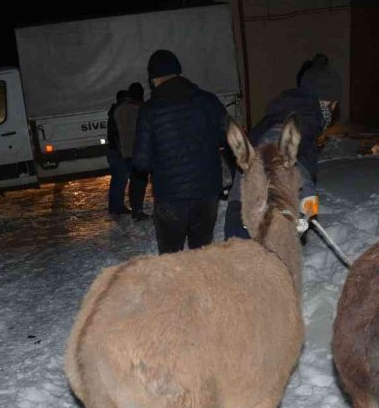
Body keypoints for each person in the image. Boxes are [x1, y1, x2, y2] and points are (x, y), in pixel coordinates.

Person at [224, 57, 342, 241]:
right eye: (334, 104)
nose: (334, 110)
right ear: (327, 102)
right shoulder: (304, 118)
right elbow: (272, 151)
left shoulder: (292, 112)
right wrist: (307, 193)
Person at [133, 49, 228, 254]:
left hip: (170, 198)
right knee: (200, 256)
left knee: (171, 258)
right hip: (206, 193)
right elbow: (226, 138)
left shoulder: (150, 110)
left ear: (154, 79)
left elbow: (141, 162)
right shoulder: (209, 101)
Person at [115, 82, 150, 221]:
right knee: (139, 182)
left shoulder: (120, 110)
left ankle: (136, 208)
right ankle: (137, 210)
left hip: (127, 151)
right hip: (138, 150)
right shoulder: (138, 109)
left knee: (134, 181)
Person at [106, 90, 132, 215]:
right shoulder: (118, 114)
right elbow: (117, 135)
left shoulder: (115, 113)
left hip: (114, 151)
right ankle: (118, 207)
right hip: (117, 152)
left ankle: (114, 206)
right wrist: (123, 151)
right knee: (120, 180)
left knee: (117, 180)